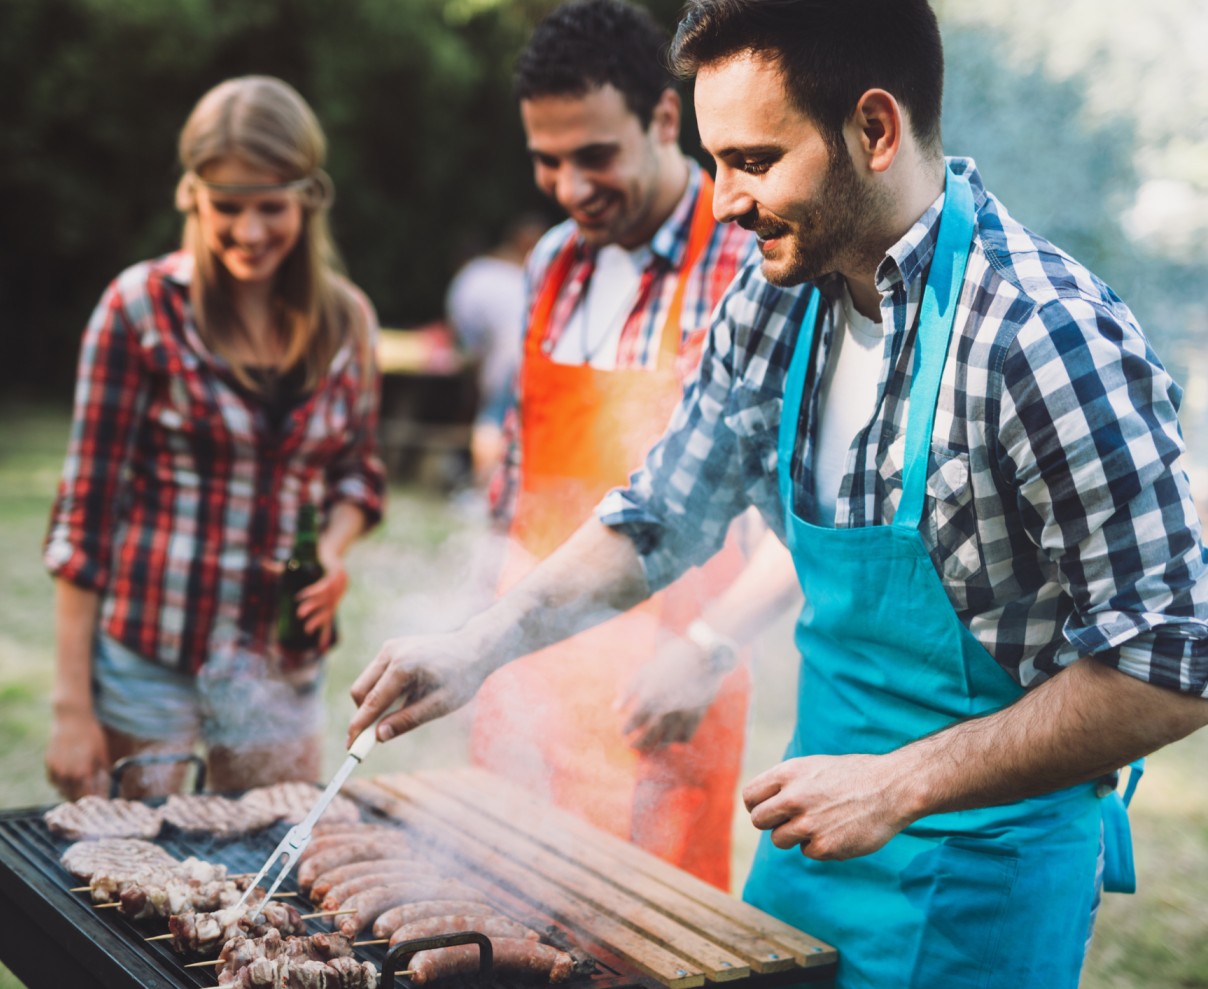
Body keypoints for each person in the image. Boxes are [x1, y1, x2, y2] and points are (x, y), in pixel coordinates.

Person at [347, 1, 1208, 986]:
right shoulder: (772, 296)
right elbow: (662, 512)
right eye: (714, 162)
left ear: (874, 130)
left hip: (983, 874)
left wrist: (899, 782)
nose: (720, 200)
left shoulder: (1038, 334)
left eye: (752, 160)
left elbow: (1171, 662)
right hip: (808, 840)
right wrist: (479, 643)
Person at [467, 0, 789, 892]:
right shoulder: (551, 264)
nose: (570, 187)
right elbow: (519, 482)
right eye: (548, 160)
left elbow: (800, 512)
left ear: (661, 119)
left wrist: (712, 644)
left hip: (662, 686)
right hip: (526, 676)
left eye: (594, 155)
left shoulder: (747, 262)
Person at [44, 76, 385, 801]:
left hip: (280, 667)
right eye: (228, 206)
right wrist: (71, 707)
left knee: (266, 871)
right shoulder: (136, 310)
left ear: (309, 197)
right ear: (191, 195)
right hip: (148, 659)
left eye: (272, 206)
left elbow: (360, 473)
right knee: (133, 876)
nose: (250, 231)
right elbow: (84, 515)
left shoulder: (349, 321)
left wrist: (331, 551)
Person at [444, 213, 547, 486]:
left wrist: (475, 361)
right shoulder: (521, 275)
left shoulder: (476, 276)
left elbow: (466, 333)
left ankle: (483, 488)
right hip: (536, 354)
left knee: (492, 418)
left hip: (507, 357)